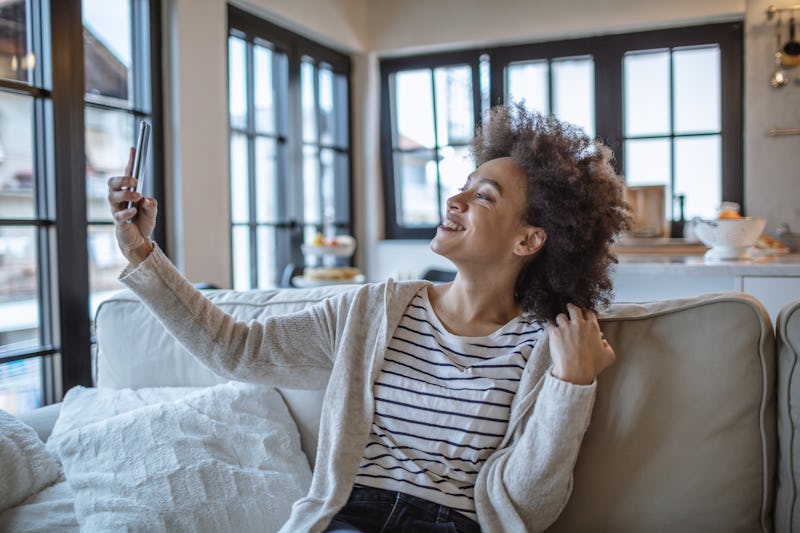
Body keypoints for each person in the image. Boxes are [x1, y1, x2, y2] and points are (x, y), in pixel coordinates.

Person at [107, 103, 630, 533]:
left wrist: (571, 386)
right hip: (349, 521)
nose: (455, 199)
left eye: (483, 198)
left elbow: (530, 507)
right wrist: (142, 253)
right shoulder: (372, 309)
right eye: (465, 185)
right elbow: (235, 349)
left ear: (529, 239)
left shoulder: (549, 346)